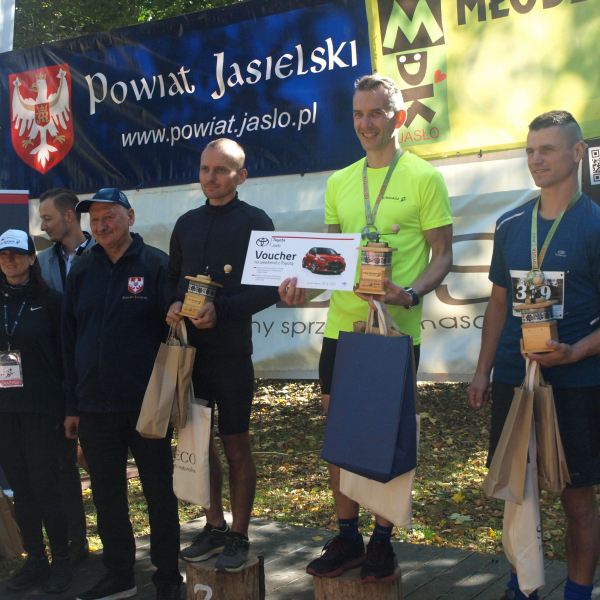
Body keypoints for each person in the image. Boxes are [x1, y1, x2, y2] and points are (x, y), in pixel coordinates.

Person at [279, 74, 453, 582]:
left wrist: (411, 293)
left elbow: (443, 255)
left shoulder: (424, 177)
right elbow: (331, 265)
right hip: (343, 330)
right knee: (340, 434)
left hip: (393, 333)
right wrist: (301, 292)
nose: (365, 123)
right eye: (358, 114)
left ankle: (382, 541)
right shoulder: (340, 182)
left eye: (375, 113)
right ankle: (348, 536)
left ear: (398, 117)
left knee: (385, 435)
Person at [468, 111, 600, 600]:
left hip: (576, 380)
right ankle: (521, 585)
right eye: (530, 151)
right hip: (514, 378)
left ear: (577, 153)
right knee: (517, 492)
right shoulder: (511, 224)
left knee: (577, 498)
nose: (536, 159)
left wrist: (575, 351)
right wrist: (482, 371)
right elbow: (498, 303)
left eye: (547, 149)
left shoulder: (594, 225)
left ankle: (578, 593)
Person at [62, 189, 182, 600]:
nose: (101, 226)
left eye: (109, 217)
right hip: (94, 408)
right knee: (107, 497)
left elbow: (175, 331)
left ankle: (168, 578)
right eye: (94, 220)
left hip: (147, 405)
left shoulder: (156, 264)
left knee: (159, 495)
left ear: (130, 217)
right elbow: (69, 340)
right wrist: (72, 404)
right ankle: (120, 575)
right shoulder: (81, 270)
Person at [169, 139, 280, 572]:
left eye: (221, 169)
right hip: (191, 355)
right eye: (205, 169)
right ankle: (214, 525)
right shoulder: (186, 223)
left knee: (235, 442)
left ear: (241, 176)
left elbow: (271, 289)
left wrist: (224, 309)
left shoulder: (256, 221)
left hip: (231, 354)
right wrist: (172, 303)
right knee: (199, 442)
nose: (210, 177)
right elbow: (173, 280)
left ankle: (239, 534)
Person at [0, 229, 72, 593]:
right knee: (21, 490)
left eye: (16, 253)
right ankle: (35, 560)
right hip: (5, 412)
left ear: (31, 258)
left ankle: (62, 561)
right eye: (3, 254)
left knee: (47, 488)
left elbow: (67, 359)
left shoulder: (52, 302)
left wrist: (70, 408)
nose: (9, 260)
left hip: (43, 410)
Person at [38, 187, 94, 567]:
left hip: (99, 374)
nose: (43, 226)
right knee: (63, 463)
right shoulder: (41, 262)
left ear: (69, 216)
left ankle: (118, 536)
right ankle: (77, 541)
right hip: (59, 378)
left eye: (47, 218)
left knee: (104, 462)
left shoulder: (104, 252)